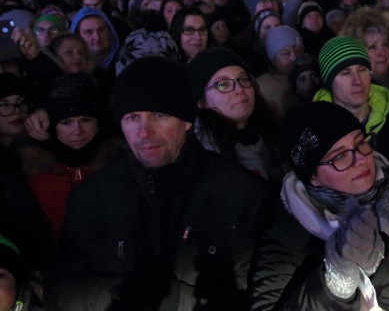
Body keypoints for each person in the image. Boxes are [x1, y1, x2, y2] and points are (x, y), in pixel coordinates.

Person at [46, 56, 269, 309]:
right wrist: (123, 295)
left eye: (159, 114)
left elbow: (255, 295)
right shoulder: (90, 198)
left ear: (187, 121)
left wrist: (167, 301)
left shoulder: (243, 195)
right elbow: (59, 290)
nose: (144, 131)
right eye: (132, 117)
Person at [248, 101, 389, 310]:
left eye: (360, 143)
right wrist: (334, 285)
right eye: (340, 156)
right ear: (313, 176)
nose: (360, 159)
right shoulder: (288, 230)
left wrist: (382, 264)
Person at [18, 73, 121, 240]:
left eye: (86, 120)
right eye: (66, 122)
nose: (77, 131)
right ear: (52, 126)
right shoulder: (33, 170)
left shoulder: (120, 163)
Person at [314, 36, 389, 170]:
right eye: (345, 73)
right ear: (329, 82)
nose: (357, 80)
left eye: (362, 69)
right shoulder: (313, 131)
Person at [187, 48, 284, 183]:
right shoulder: (198, 154)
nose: (239, 89)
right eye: (222, 85)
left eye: (244, 79)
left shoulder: (274, 130)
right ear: (202, 102)